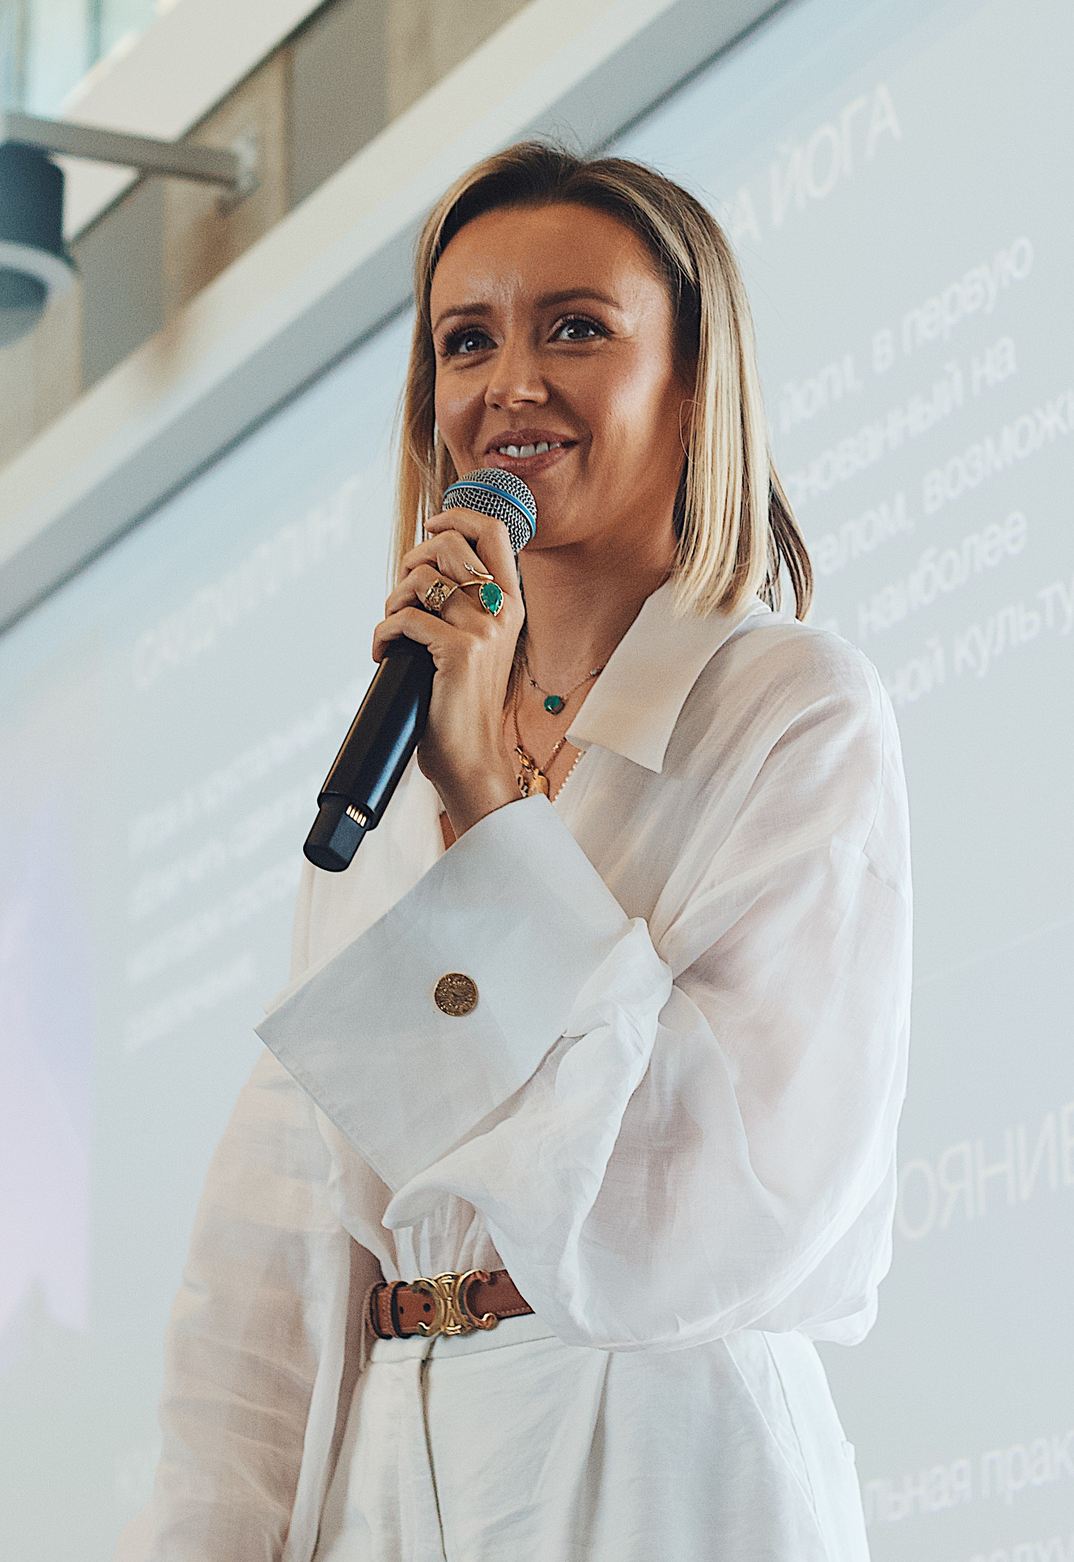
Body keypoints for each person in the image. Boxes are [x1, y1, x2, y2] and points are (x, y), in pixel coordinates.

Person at [141, 141, 913, 1561]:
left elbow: (716, 1192)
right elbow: (281, 1234)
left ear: (693, 381)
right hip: (394, 1440)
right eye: (466, 341)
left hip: (657, 1439)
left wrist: (497, 797)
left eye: (577, 328)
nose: (512, 383)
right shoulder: (395, 751)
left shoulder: (789, 707)